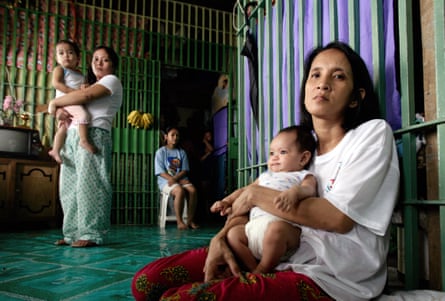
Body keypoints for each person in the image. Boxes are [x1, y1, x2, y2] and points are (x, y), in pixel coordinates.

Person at [132, 41, 400, 301]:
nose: (323, 83)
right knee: (147, 282)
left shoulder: (371, 134)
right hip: (263, 253)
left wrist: (254, 194)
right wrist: (221, 238)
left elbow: (338, 218)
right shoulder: (299, 150)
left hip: (331, 278)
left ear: (356, 97)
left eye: (338, 76)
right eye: (315, 75)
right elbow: (248, 206)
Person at [210, 125, 317, 274]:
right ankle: (253, 267)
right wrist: (226, 201)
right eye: (272, 153)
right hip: (254, 228)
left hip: (283, 232)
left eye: (283, 152)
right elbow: (244, 191)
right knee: (233, 234)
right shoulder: (265, 177)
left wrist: (294, 192)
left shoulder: (303, 176)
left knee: (276, 230)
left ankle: (263, 269)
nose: (274, 157)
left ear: (303, 158)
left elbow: (309, 189)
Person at [49, 45, 123, 248]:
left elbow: (85, 98)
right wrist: (59, 110)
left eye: (105, 59)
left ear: (113, 65)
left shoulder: (111, 81)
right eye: (96, 58)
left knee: (91, 186)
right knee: (69, 187)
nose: (99, 62)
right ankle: (72, 233)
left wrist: (54, 103)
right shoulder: (86, 85)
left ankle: (92, 233)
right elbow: (72, 104)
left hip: (95, 134)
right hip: (72, 135)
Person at [49, 40, 96, 164]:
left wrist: (84, 88)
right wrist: (72, 93)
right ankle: (84, 140)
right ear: (57, 58)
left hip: (74, 102)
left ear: (77, 58)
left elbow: (83, 88)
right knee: (84, 115)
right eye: (61, 53)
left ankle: (55, 150)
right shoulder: (60, 69)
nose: (66, 56)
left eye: (70, 53)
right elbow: (56, 83)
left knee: (64, 127)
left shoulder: (80, 73)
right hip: (66, 102)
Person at [155, 126, 199, 230]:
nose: (175, 137)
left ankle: (189, 220)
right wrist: (173, 180)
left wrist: (176, 179)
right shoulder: (160, 152)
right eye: (172, 135)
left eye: (177, 135)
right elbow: (160, 172)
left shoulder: (181, 152)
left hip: (179, 179)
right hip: (165, 181)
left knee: (193, 190)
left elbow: (184, 170)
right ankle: (180, 222)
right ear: (166, 137)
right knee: (179, 191)